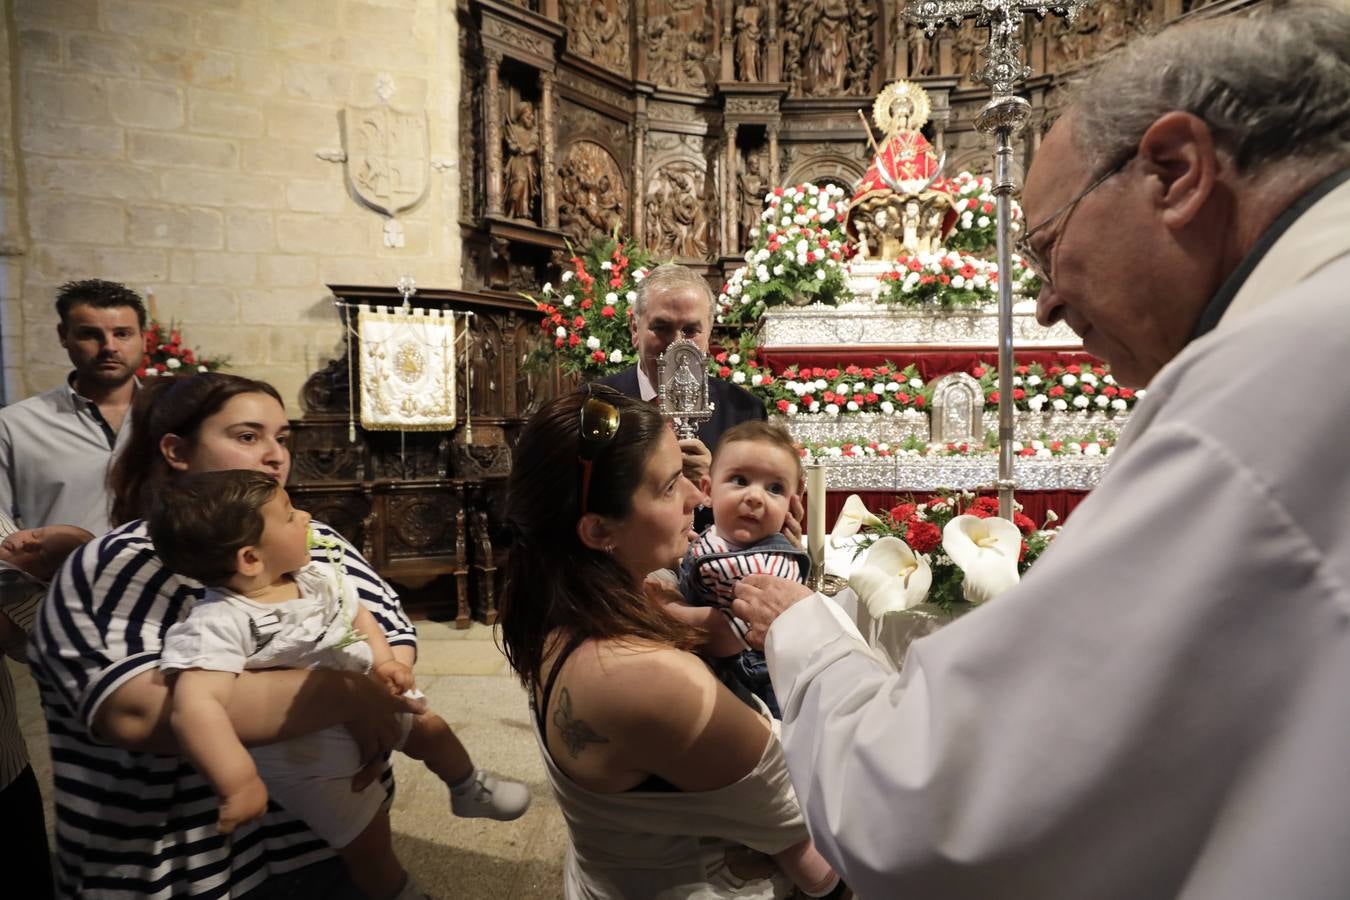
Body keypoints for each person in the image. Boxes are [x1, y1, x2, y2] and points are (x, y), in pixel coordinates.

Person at [728, 3, 1350, 896]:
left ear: (1175, 173)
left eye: (1049, 246)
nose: (1046, 305)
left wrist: (800, 631)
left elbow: (932, 802)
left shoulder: (1266, 386)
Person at [28, 372, 430, 898]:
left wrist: (374, 676)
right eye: (247, 436)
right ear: (176, 450)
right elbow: (141, 712)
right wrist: (352, 693)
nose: (275, 456)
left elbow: (391, 634)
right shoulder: (118, 562)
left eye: (281, 438)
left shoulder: (313, 539)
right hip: (183, 864)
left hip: (322, 842)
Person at [498, 386, 842, 899]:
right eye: (668, 486)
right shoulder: (645, 676)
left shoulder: (564, 601)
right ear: (597, 529)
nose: (698, 497)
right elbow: (817, 850)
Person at [147, 470, 528, 900]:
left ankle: (467, 786)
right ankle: (398, 892)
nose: (306, 515)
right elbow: (195, 706)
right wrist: (235, 780)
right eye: (290, 515)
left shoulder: (314, 576)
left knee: (431, 728)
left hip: (367, 697)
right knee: (368, 840)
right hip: (306, 754)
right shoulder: (220, 621)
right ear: (250, 559)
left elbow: (360, 615)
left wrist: (384, 661)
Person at [600, 263, 786, 534]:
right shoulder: (597, 403)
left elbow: (761, 512)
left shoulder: (743, 411)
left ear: (709, 334)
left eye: (690, 331)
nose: (677, 344)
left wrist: (717, 484)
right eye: (661, 328)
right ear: (634, 330)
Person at [677, 422, 809, 718]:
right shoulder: (714, 538)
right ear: (707, 491)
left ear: (791, 505)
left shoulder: (768, 565)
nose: (755, 497)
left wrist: (667, 609)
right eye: (739, 480)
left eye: (775, 488)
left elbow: (729, 636)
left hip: (756, 685)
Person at [0, 279, 144, 533]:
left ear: (143, 336)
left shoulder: (172, 415)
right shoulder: (15, 425)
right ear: (63, 336)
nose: (109, 347)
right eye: (90, 334)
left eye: (122, 333)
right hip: (55, 573)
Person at [0, 516, 89, 900]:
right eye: (33, 537)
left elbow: (35, 637)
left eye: (38, 548)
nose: (23, 545)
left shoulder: (14, 579)